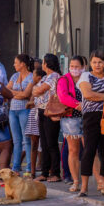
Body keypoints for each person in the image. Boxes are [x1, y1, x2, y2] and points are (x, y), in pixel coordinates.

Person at [77, 50, 104, 197]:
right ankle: (84, 187)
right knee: (89, 151)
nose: (97, 65)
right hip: (91, 117)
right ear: (90, 63)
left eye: (100, 62)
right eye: (94, 62)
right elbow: (88, 94)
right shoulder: (86, 75)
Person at [32, 54, 62, 183]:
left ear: (47, 64)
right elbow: (35, 90)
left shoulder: (54, 76)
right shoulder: (45, 77)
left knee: (51, 143)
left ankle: (55, 172)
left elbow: (38, 90)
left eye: (43, 62)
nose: (42, 65)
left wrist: (36, 89)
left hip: (50, 111)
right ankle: (45, 172)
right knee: (43, 143)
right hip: (41, 110)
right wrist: (36, 89)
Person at [57, 56, 85, 191]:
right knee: (73, 150)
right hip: (70, 118)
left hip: (88, 118)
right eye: (72, 66)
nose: (74, 69)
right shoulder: (64, 79)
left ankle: (99, 182)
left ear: (83, 67)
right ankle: (75, 181)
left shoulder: (87, 77)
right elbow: (63, 96)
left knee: (91, 150)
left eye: (77, 66)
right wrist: (77, 105)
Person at [7, 54, 34, 176]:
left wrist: (14, 93)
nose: (14, 65)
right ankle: (16, 167)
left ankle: (29, 167)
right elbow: (6, 91)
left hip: (25, 110)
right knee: (16, 140)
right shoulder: (14, 76)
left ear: (23, 64)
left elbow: (27, 94)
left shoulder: (31, 76)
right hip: (13, 111)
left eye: (16, 62)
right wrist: (19, 93)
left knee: (26, 139)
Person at [26, 69, 44, 175]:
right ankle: (32, 171)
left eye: (33, 75)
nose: (32, 77)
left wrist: (31, 103)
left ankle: (43, 167)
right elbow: (30, 102)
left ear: (39, 77)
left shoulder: (45, 86)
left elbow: (30, 103)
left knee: (44, 144)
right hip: (34, 115)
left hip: (41, 114)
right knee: (34, 144)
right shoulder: (34, 87)